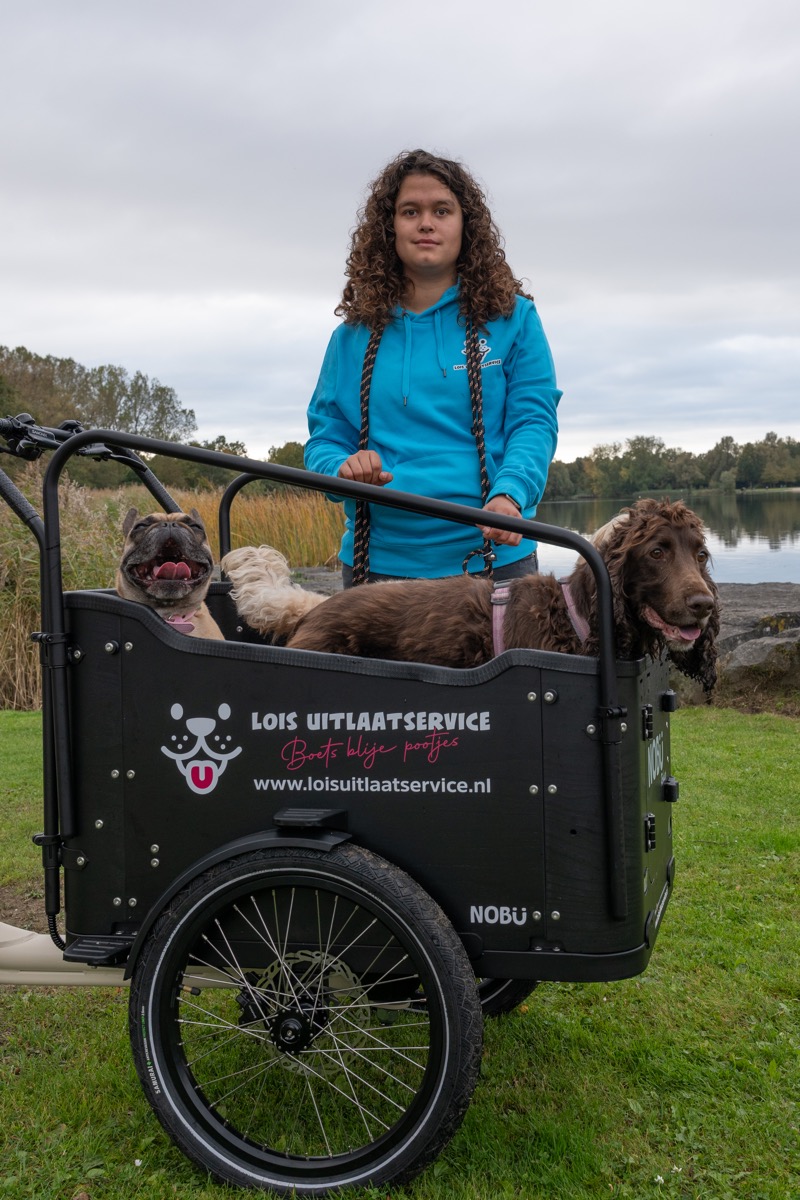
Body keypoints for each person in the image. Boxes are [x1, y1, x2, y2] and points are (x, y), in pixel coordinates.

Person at [304, 148, 562, 587]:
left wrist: (511, 493)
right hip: (377, 567)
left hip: (495, 560)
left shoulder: (515, 318)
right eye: (410, 211)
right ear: (390, 226)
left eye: (442, 210)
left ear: (465, 224)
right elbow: (325, 440)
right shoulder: (350, 337)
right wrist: (342, 468)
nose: (426, 223)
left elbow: (533, 422)